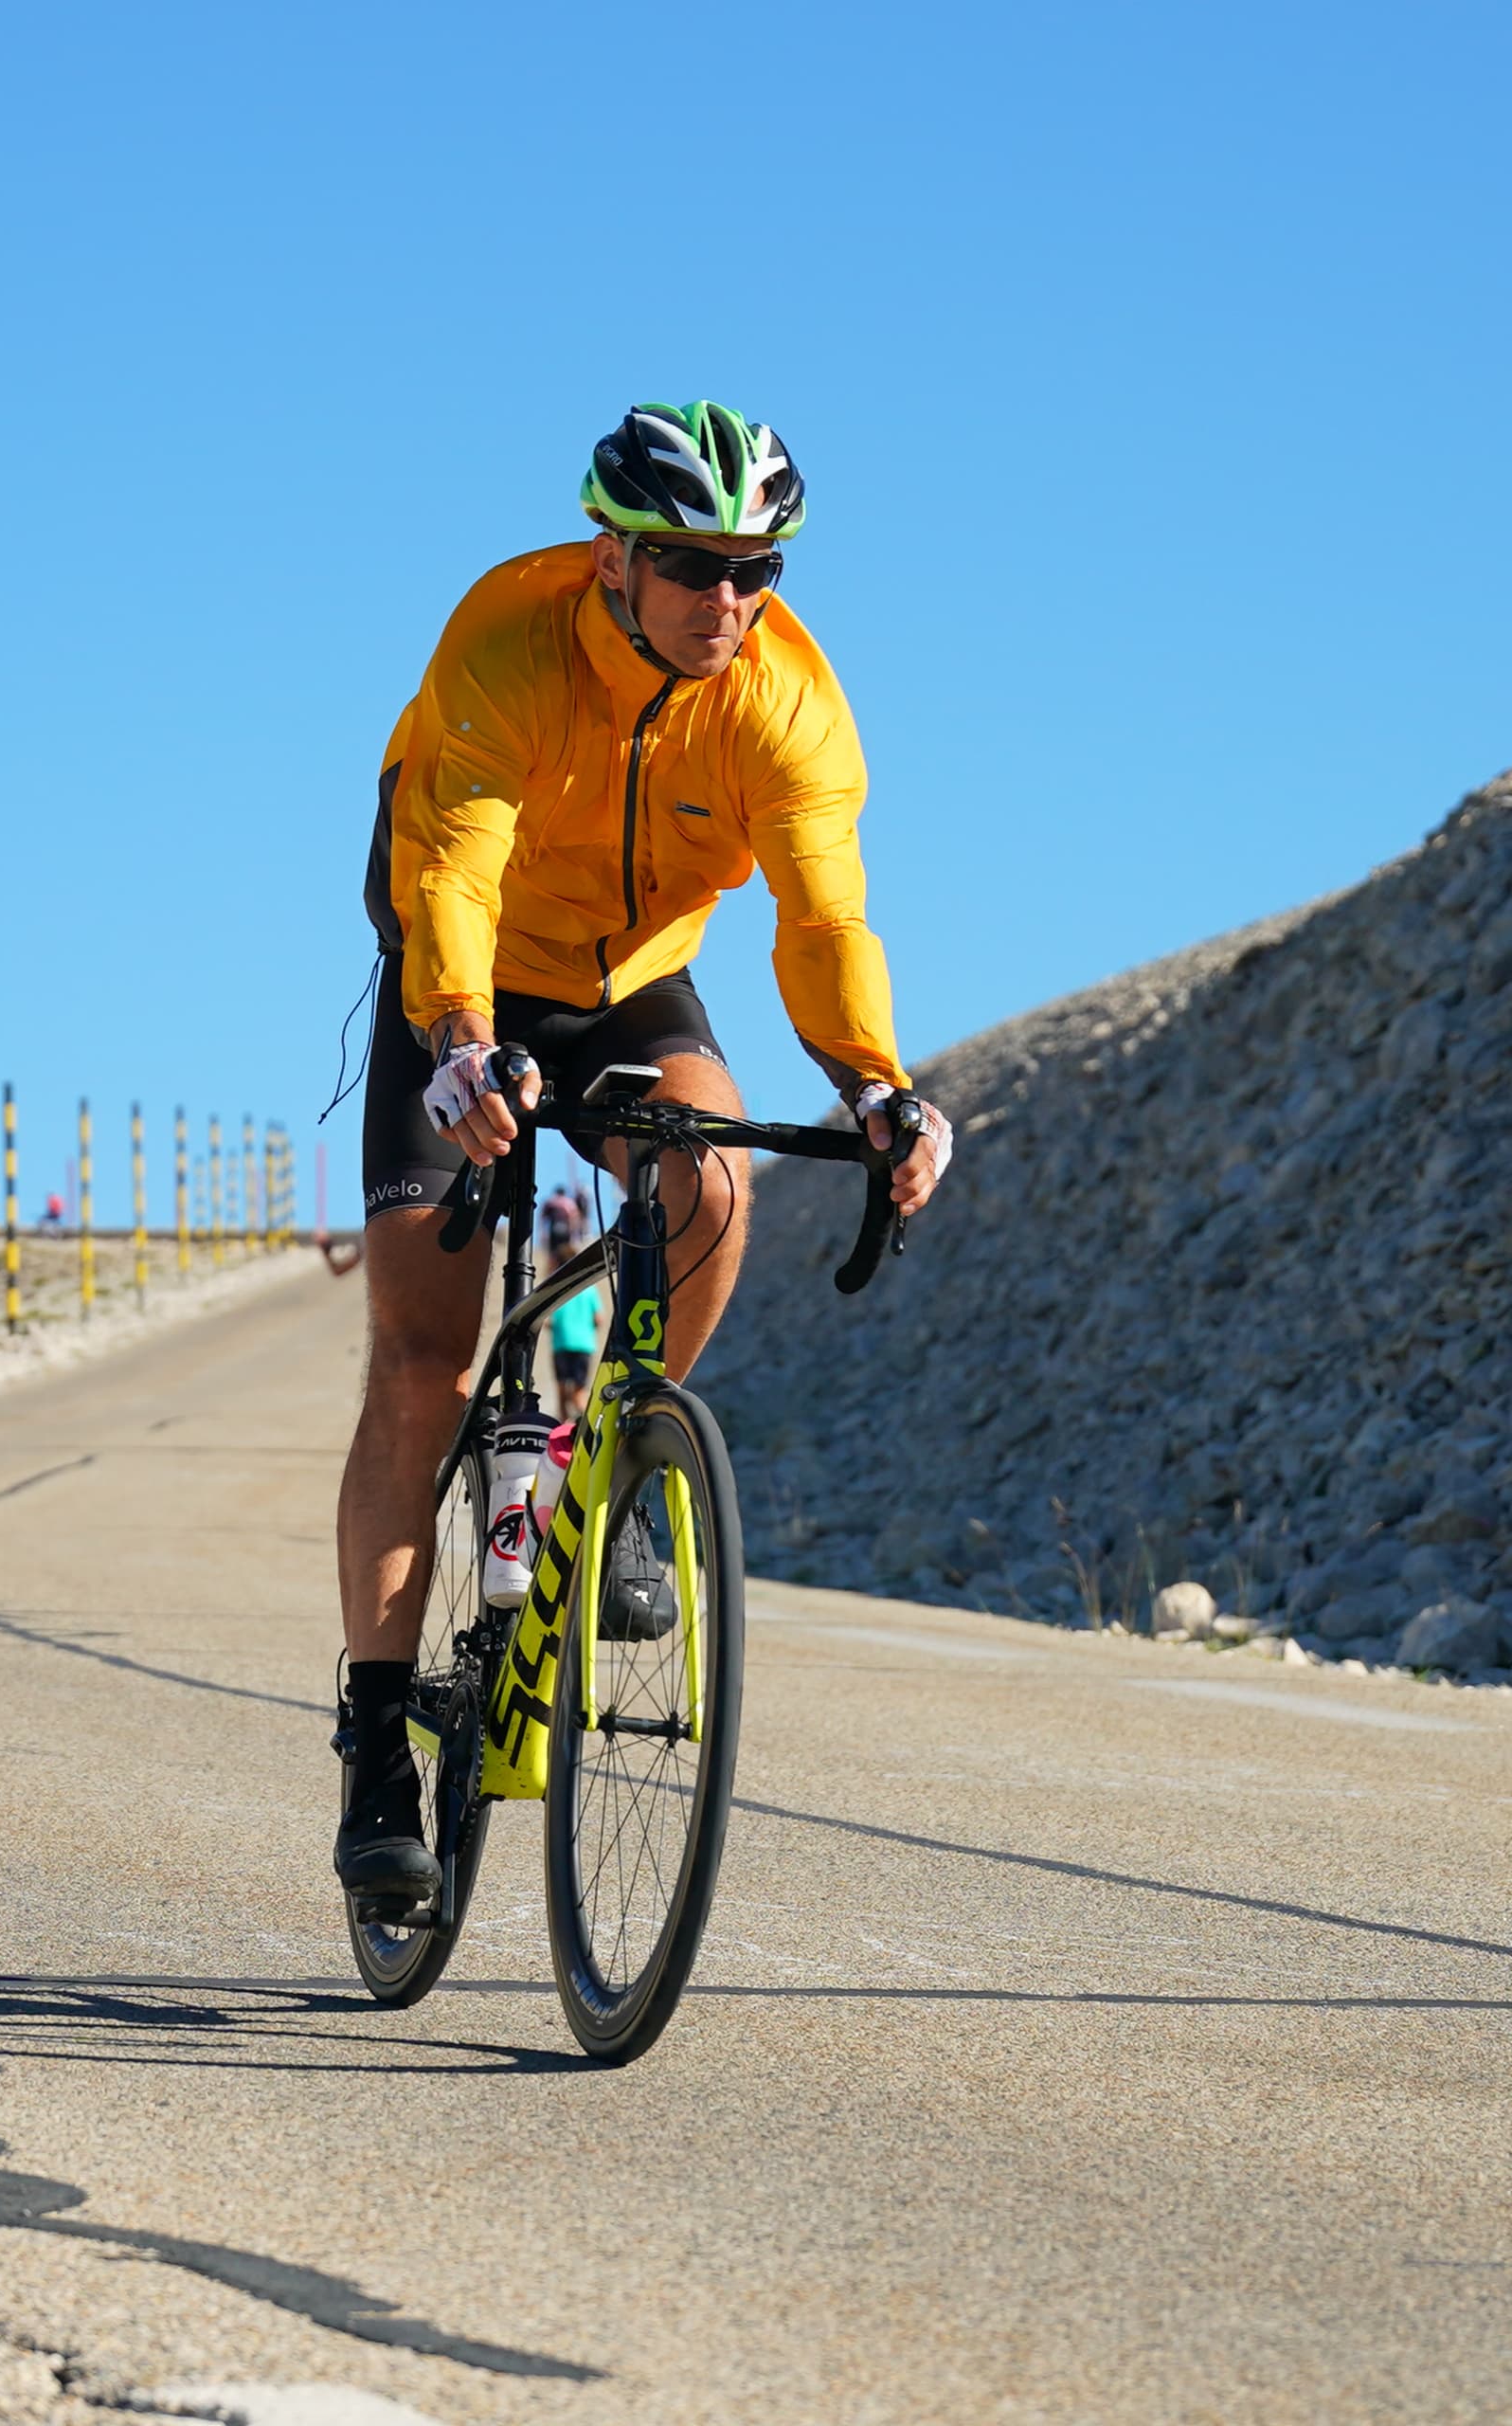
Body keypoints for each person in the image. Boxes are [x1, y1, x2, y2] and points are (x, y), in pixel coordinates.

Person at [329, 400, 954, 1899]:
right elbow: (458, 868)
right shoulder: (507, 637)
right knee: (423, 1364)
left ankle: (612, 1464)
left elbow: (824, 916)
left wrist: (876, 1086)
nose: (728, 603)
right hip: (461, 970)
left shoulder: (788, 703)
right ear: (614, 553)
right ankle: (374, 1748)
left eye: (761, 571)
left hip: (623, 982)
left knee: (714, 1179)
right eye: (694, 566)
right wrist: (467, 1038)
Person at [538, 1191, 602, 1431]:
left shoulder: (557, 1290)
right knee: (579, 1390)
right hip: (584, 1344)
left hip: (562, 1343)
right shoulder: (589, 1290)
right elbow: (599, 1318)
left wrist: (556, 1325)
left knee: (563, 1392)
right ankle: (585, 1429)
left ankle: (566, 1430)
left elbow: (547, 1320)